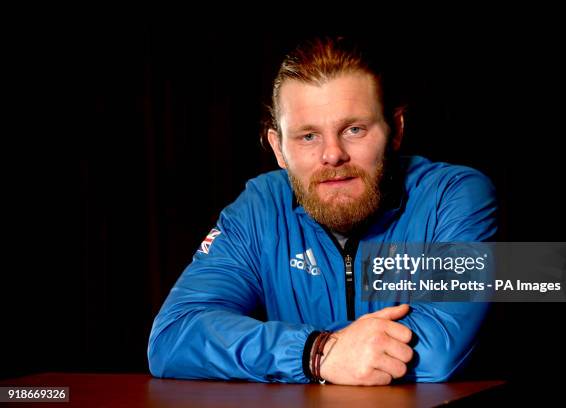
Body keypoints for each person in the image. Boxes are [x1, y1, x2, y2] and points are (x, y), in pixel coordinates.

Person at [147, 36, 497, 385]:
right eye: (308, 136)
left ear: (395, 131)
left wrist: (305, 353)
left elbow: (440, 351)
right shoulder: (258, 209)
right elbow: (173, 337)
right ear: (278, 148)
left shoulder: (454, 196)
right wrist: (314, 352)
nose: (332, 155)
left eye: (354, 129)